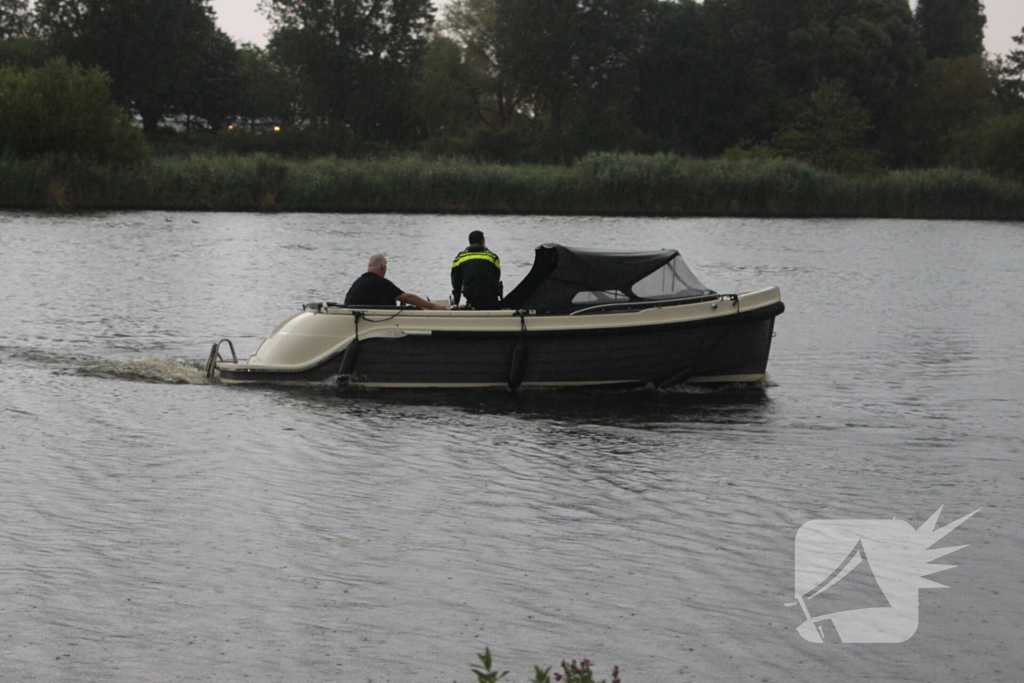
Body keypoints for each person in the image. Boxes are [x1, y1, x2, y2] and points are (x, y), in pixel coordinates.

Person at [344, 254, 445, 309]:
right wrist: (434, 307)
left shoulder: (358, 283)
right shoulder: (381, 283)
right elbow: (408, 298)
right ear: (383, 267)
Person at [451, 230, 502, 309]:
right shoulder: (493, 257)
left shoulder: (460, 257)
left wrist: (456, 303)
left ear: (469, 242)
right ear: (482, 241)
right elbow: (496, 278)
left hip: (471, 296)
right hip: (490, 298)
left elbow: (456, 282)